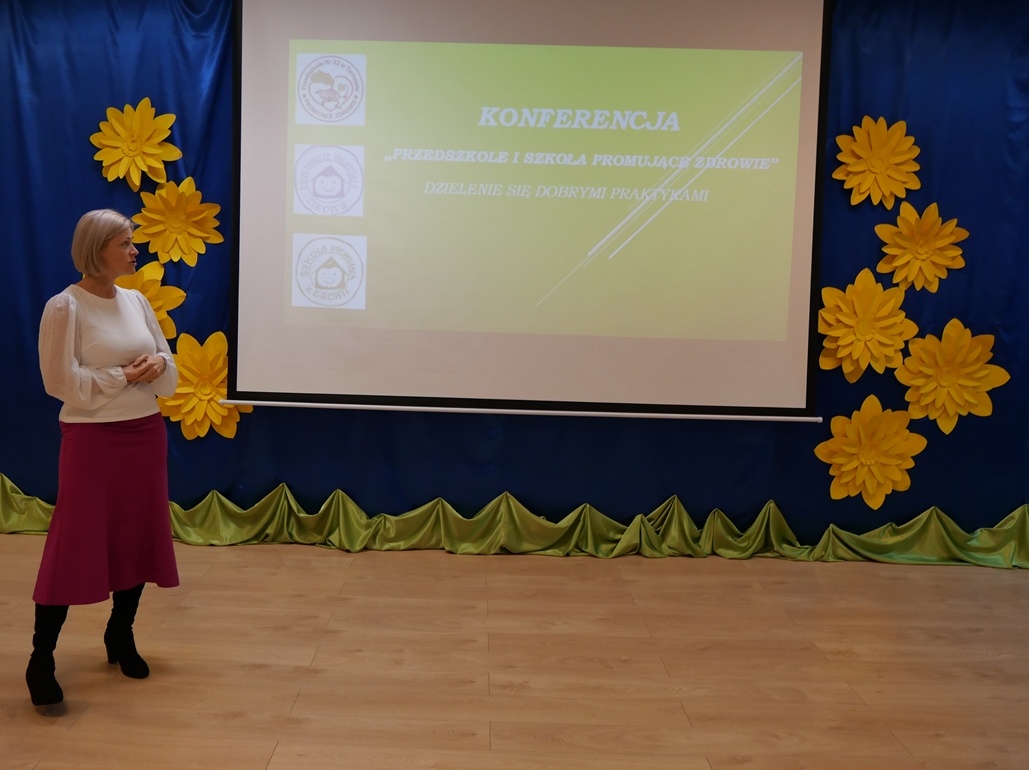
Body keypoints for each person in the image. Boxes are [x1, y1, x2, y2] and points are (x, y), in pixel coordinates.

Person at [26, 209, 181, 707]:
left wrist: (157, 364)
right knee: (74, 541)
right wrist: (125, 376)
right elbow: (59, 382)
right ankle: (41, 657)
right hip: (91, 441)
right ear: (97, 250)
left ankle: (121, 632)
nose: (135, 251)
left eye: (133, 242)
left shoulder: (137, 300)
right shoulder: (65, 306)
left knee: (136, 535)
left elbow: (168, 366)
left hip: (145, 433)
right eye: (125, 243)